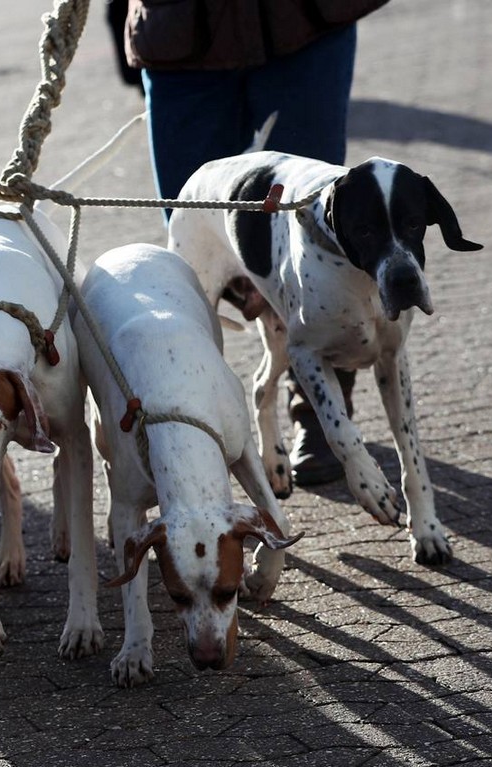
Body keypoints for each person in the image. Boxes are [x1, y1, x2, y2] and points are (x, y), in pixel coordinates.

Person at [121, 0, 389, 486]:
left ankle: (318, 413)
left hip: (301, 22)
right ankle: (193, 428)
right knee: (194, 247)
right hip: (177, 33)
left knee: (318, 234)